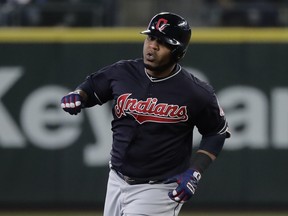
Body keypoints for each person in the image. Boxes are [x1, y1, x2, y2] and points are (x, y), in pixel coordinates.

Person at [61, 12, 231, 216]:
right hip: (116, 179)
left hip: (159, 189)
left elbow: (216, 132)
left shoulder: (196, 92)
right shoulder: (122, 72)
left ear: (178, 52)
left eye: (163, 42)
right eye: (151, 38)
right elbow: (90, 88)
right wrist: (78, 95)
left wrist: (195, 171)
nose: (152, 46)